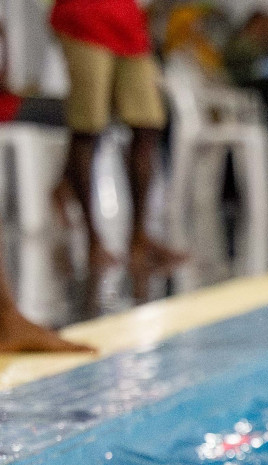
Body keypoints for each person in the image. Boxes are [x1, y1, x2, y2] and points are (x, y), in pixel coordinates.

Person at [50, 0, 185, 277]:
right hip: (84, 15)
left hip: (127, 20)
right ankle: (93, 239)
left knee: (148, 124)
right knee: (88, 127)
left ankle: (139, 236)